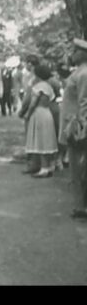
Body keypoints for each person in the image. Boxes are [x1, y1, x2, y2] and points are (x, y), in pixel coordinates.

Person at [58, 38, 87, 219]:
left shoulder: (83, 74)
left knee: (79, 168)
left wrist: (82, 128)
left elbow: (85, 102)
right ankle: (80, 205)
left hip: (78, 127)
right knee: (77, 168)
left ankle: (81, 206)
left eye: (75, 51)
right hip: (73, 124)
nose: (72, 54)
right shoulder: (78, 72)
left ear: (82, 53)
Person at [19, 64, 58, 178]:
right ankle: (45, 165)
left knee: (40, 139)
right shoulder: (49, 86)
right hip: (47, 112)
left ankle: (44, 168)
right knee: (45, 138)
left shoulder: (38, 86)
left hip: (38, 113)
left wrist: (27, 114)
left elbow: (33, 103)